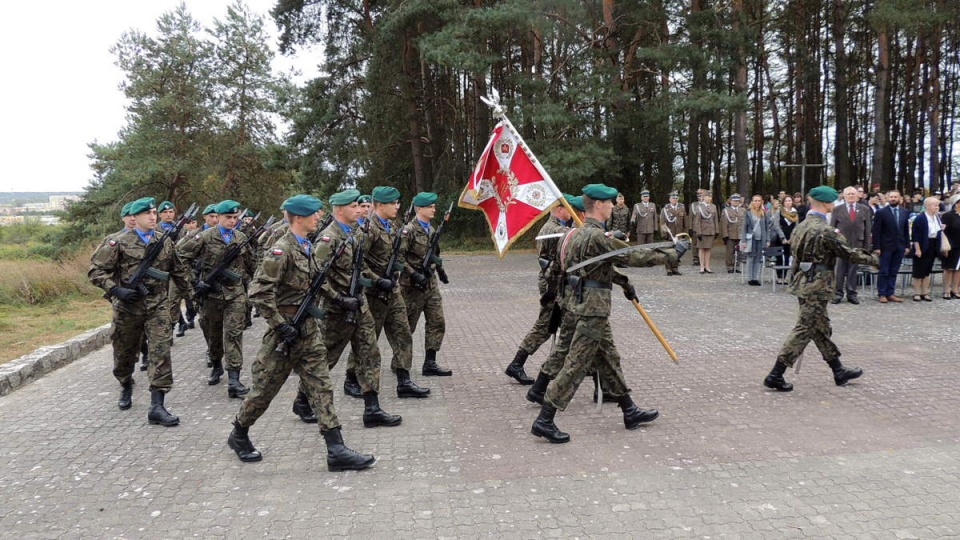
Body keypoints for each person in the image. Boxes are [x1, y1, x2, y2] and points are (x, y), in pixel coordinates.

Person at [227, 194, 375, 471]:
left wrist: (339, 299)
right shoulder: (280, 251)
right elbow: (258, 293)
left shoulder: (306, 246)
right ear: (298, 217)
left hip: (308, 329)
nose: (320, 217)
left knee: (321, 386)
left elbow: (316, 283)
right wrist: (279, 324)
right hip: (284, 333)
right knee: (263, 391)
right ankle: (239, 433)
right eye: (314, 213)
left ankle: (336, 449)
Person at [530, 183, 687, 444]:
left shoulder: (573, 235)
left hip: (578, 305)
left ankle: (629, 410)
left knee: (609, 359)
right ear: (599, 205)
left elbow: (593, 268)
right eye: (610, 203)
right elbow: (632, 256)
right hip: (592, 310)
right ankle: (545, 419)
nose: (613, 206)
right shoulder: (595, 237)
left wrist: (623, 283)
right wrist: (672, 253)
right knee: (576, 364)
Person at [88, 197, 193, 426]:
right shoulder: (118, 242)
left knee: (160, 351)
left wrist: (191, 298)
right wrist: (116, 290)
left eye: (155, 213)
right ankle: (125, 383)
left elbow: (178, 271)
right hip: (128, 307)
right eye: (148, 214)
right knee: (124, 353)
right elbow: (96, 272)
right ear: (135, 217)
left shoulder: (164, 241)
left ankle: (157, 405)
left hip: (157, 305)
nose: (153, 217)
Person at [763, 186, 878, 392]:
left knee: (820, 327)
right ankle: (775, 374)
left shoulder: (801, 226)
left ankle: (838, 370)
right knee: (805, 329)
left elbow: (795, 258)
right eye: (833, 201)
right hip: (817, 285)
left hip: (803, 283)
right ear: (826, 204)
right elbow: (848, 253)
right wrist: (875, 260)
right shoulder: (825, 230)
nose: (834, 205)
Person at [317, 189, 402, 428]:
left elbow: (360, 267)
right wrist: (337, 298)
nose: (360, 210)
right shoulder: (329, 238)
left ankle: (372, 408)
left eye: (359, 205)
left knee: (370, 353)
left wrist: (375, 281)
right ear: (340, 210)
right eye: (354, 206)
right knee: (327, 357)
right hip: (338, 309)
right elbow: (316, 277)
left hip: (359, 303)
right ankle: (303, 400)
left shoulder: (354, 234)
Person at [344, 186, 431, 398]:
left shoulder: (393, 226)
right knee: (367, 339)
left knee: (403, 333)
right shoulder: (368, 229)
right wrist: (376, 280)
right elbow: (357, 262)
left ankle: (404, 380)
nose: (397, 206)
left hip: (392, 290)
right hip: (374, 294)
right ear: (380, 205)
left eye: (398, 202)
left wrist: (402, 272)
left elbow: (398, 256)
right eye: (393, 203)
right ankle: (351, 378)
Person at [177, 200, 256, 397]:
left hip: (235, 294)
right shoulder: (203, 237)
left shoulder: (241, 238)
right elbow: (180, 258)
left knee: (234, 334)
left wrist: (254, 285)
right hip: (211, 295)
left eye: (235, 218)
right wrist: (195, 282)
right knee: (213, 335)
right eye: (228, 217)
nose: (232, 221)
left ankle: (234, 380)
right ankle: (216, 364)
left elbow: (251, 264)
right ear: (218, 217)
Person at [506, 196, 574, 385]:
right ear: (560, 209)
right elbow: (549, 261)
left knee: (563, 325)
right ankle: (516, 364)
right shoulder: (554, 229)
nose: (571, 213)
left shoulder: (556, 227)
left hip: (555, 283)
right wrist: (550, 290)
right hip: (551, 284)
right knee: (545, 326)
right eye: (569, 208)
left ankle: (580, 367)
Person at [400, 192, 453, 377]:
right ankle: (399, 363)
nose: (433, 209)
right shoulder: (409, 230)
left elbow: (434, 256)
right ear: (419, 208)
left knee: (437, 322)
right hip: (412, 288)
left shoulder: (431, 230)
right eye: (430, 206)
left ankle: (430, 363)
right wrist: (414, 274)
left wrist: (441, 272)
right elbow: (398, 258)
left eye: (434, 206)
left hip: (430, 285)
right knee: (407, 328)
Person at [829, 187, 872, 304]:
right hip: (841, 245)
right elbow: (832, 228)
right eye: (848, 194)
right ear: (844, 196)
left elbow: (867, 229)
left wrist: (866, 247)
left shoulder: (865, 209)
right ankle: (837, 294)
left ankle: (852, 294)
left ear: (857, 195)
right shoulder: (837, 209)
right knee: (839, 270)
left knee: (853, 270)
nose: (851, 196)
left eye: (853, 194)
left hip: (857, 244)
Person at [871, 190, 911, 303]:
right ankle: (882, 293)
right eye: (891, 197)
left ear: (900, 198)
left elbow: (906, 230)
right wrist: (876, 247)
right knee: (884, 270)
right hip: (885, 246)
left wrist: (907, 245)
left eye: (895, 197)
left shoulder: (904, 212)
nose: (893, 199)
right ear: (888, 198)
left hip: (899, 246)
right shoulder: (881, 212)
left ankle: (890, 293)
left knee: (894, 270)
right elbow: (876, 231)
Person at [741, 195, 784, 286]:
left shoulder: (764, 213)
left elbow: (766, 228)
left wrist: (768, 239)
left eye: (759, 201)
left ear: (761, 202)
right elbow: (744, 227)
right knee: (751, 257)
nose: (757, 202)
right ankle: (750, 278)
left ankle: (756, 277)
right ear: (752, 202)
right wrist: (743, 240)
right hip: (751, 239)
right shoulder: (748, 212)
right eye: (755, 200)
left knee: (759, 258)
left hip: (761, 238)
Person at [910, 197, 945, 302]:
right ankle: (917, 292)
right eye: (935, 205)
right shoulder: (920, 218)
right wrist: (917, 249)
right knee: (918, 270)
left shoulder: (937, 217)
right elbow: (915, 236)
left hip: (933, 245)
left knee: (927, 270)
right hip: (922, 244)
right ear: (928, 206)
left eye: (937, 205)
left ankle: (925, 292)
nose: (937, 207)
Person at [691, 192, 719, 274]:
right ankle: (702, 267)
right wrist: (698, 232)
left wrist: (716, 231)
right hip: (702, 231)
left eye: (710, 197)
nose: (709, 198)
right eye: (707, 196)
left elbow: (716, 220)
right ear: (703, 197)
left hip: (711, 231)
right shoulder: (699, 207)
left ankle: (707, 266)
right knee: (702, 249)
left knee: (708, 249)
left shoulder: (713, 207)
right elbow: (697, 221)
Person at [774, 195, 799, 284]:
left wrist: (792, 238)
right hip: (781, 237)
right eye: (786, 201)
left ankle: (785, 276)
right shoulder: (779, 212)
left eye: (790, 201)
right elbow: (776, 225)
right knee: (780, 257)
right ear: (783, 202)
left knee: (788, 257)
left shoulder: (795, 212)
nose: (788, 202)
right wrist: (783, 237)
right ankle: (779, 276)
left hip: (791, 237)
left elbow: (796, 226)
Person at [659, 192, 686, 275]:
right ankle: (668, 269)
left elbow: (684, 222)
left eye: (676, 198)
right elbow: (662, 223)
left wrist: (684, 233)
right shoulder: (665, 209)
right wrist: (664, 234)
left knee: (677, 252)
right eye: (673, 198)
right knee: (669, 252)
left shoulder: (681, 208)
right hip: (669, 234)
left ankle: (675, 268)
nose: (675, 199)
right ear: (670, 199)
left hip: (679, 234)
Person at [720, 194, 745, 273]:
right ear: (730, 201)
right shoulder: (726, 211)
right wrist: (725, 235)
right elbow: (724, 224)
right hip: (731, 234)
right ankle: (730, 267)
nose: (736, 202)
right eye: (734, 201)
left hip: (740, 234)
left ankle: (737, 266)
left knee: (739, 252)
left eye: (737, 201)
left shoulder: (743, 210)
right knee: (730, 252)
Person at [941, 195, 960, 299]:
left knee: (958, 269)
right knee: (949, 268)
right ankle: (946, 289)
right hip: (951, 246)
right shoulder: (948, 215)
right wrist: (944, 247)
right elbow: (943, 232)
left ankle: (955, 289)